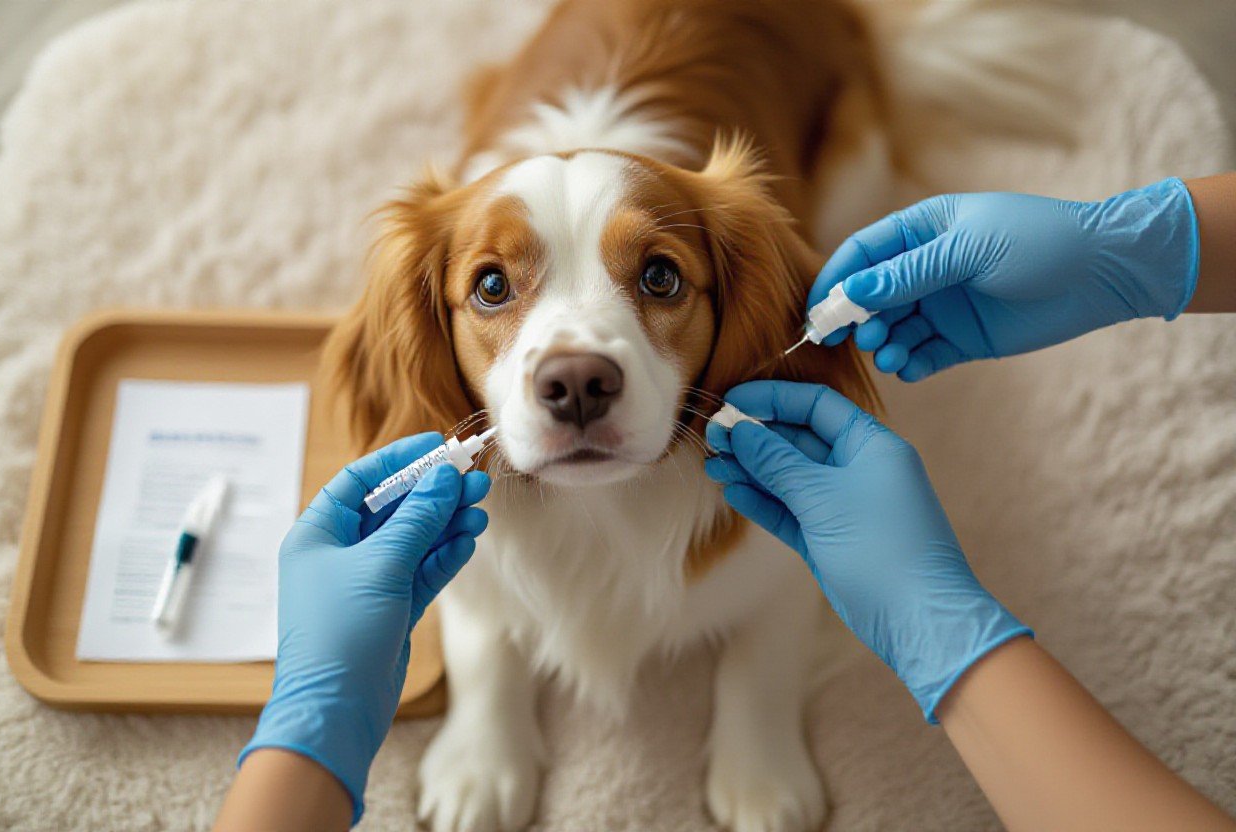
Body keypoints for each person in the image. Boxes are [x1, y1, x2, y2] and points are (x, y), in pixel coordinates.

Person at [215, 174, 1235, 831]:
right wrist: (479, 703)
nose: (575, 369)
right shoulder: (440, 380)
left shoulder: (744, 380)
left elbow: (773, 587)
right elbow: (473, 579)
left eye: (658, 275)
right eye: (494, 289)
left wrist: (768, 706)